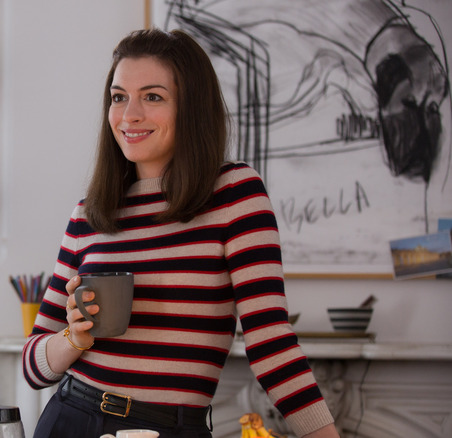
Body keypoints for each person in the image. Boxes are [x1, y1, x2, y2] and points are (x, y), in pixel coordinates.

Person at [22, 28, 340, 438]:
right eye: (119, 97)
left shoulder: (234, 194)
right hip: (72, 418)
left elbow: (271, 342)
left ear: (191, 108)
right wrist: (74, 336)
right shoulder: (88, 213)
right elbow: (33, 367)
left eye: (152, 96)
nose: (129, 114)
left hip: (171, 429)